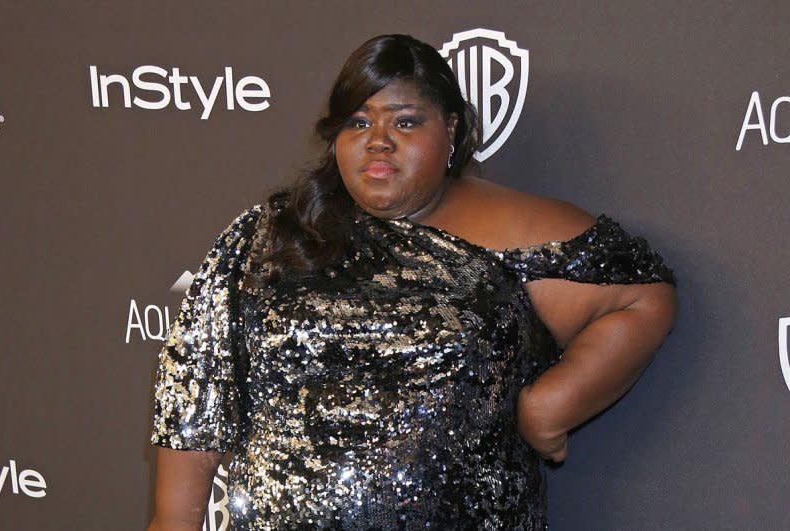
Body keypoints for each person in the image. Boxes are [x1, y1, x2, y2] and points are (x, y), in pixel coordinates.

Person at [148, 34, 676, 531]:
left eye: (404, 122)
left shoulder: (513, 236)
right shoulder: (268, 237)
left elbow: (641, 293)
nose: (378, 142)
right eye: (358, 123)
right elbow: (193, 402)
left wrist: (550, 407)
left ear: (450, 131)